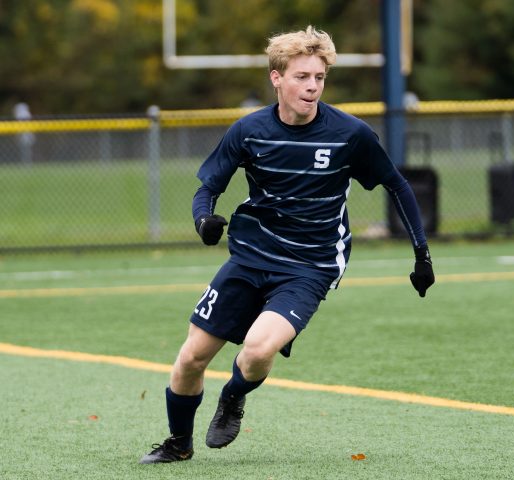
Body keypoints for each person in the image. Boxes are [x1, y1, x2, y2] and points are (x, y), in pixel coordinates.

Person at [140, 26, 435, 464]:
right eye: (302, 77)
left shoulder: (350, 134)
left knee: (258, 349)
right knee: (191, 358)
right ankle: (178, 444)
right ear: (276, 78)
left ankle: (233, 396)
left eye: (319, 77)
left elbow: (397, 185)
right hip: (250, 257)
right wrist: (204, 220)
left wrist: (421, 254)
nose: (312, 86)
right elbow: (208, 188)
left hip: (310, 266)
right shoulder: (249, 130)